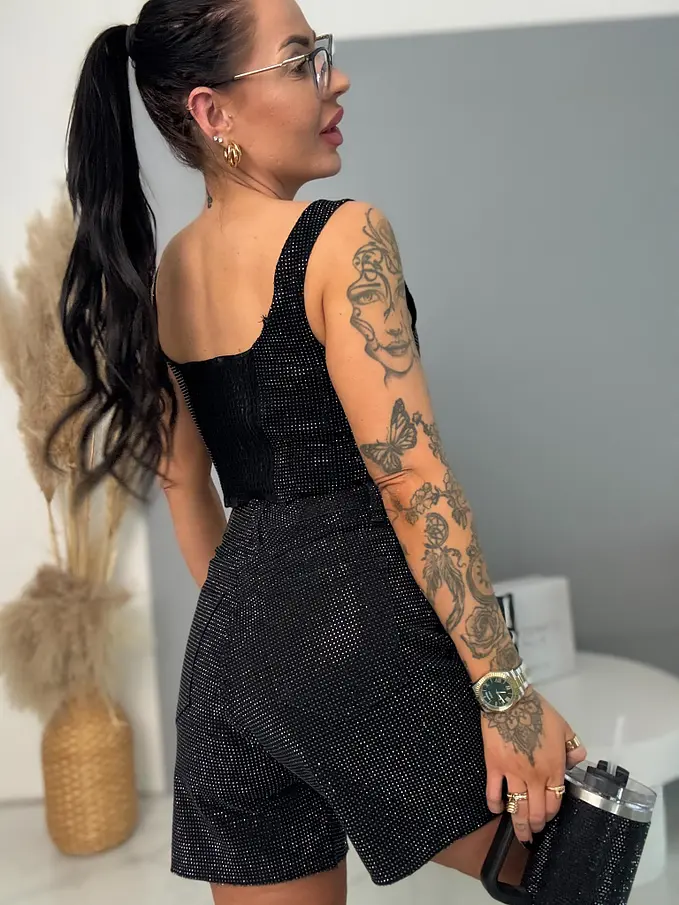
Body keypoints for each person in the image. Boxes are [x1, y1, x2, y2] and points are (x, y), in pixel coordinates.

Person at [47, 0, 587, 902]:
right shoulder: (343, 238)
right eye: (300, 60)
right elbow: (410, 477)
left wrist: (269, 649)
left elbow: (186, 494)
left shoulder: (165, 275)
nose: (335, 80)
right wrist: (504, 692)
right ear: (213, 111)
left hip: (227, 669)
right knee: (580, 866)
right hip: (358, 633)